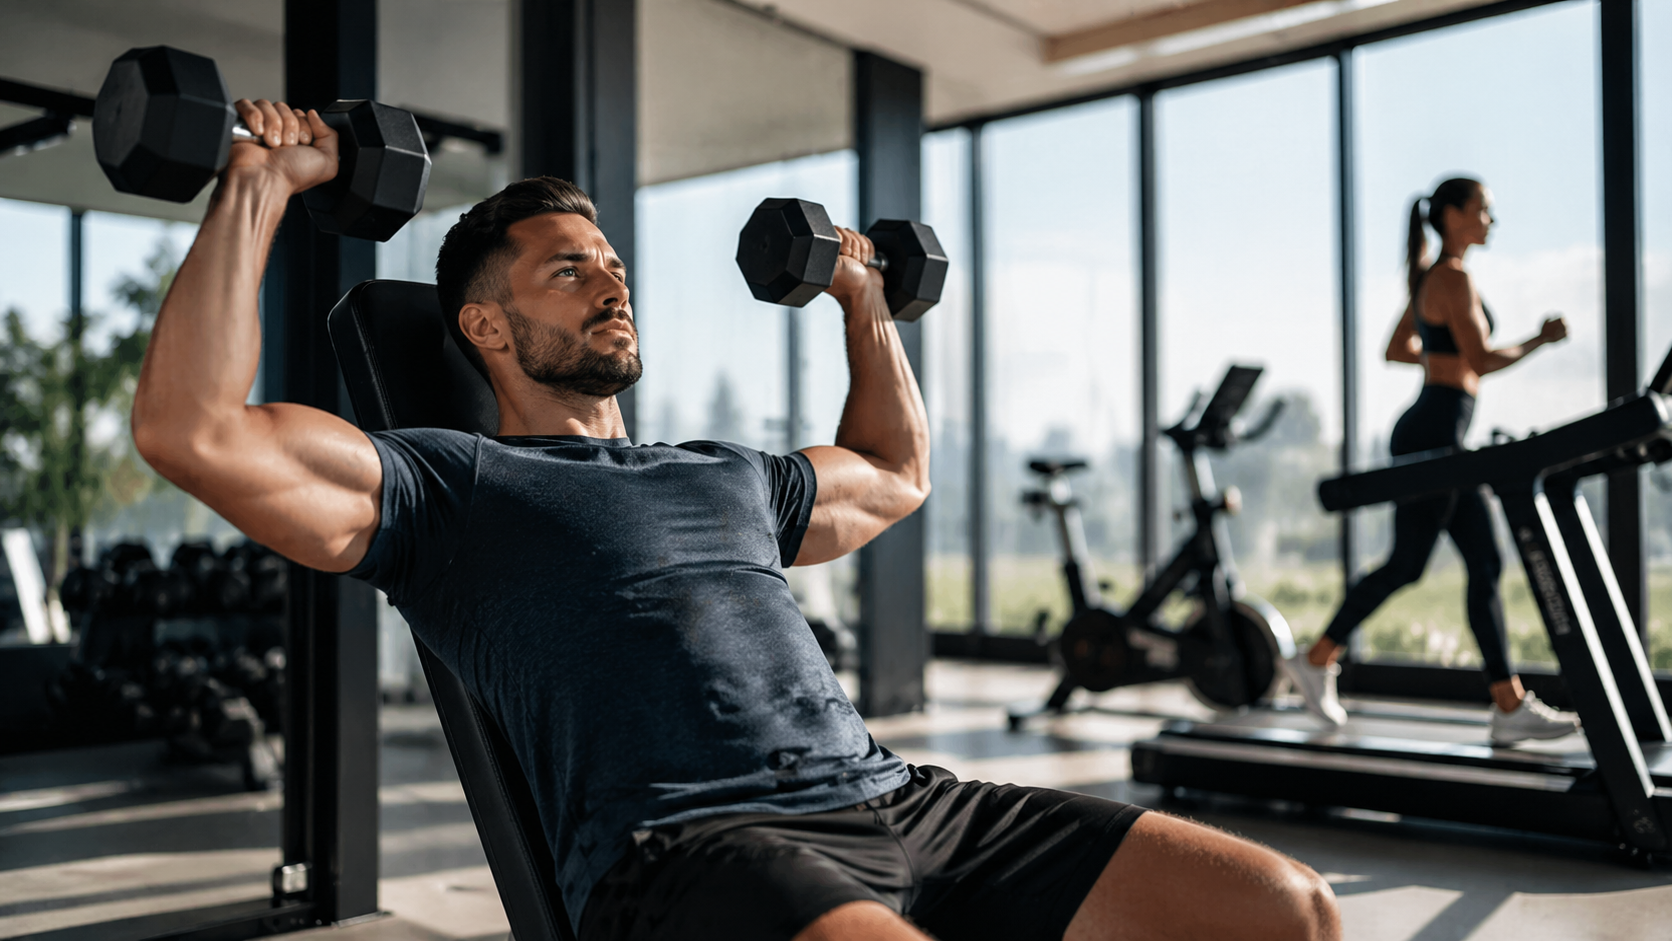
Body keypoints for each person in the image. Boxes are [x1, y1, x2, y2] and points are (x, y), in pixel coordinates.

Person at [131, 98, 1340, 941]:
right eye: (567, 269)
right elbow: (195, 428)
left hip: (902, 799)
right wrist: (259, 179)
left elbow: (891, 468)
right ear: (486, 329)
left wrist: (864, 296)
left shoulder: (725, 471)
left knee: (1286, 908)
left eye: (611, 263)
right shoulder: (448, 485)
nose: (611, 281)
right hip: (694, 851)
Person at [1283, 177, 1580, 746]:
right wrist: (1540, 339)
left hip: (1436, 428)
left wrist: (1441, 356)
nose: (1491, 220)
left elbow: (1399, 349)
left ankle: (1504, 705)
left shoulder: (1429, 279)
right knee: (1427, 564)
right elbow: (1484, 359)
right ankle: (1318, 660)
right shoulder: (1455, 277)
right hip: (1436, 429)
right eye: (1483, 211)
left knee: (1462, 564)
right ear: (1451, 216)